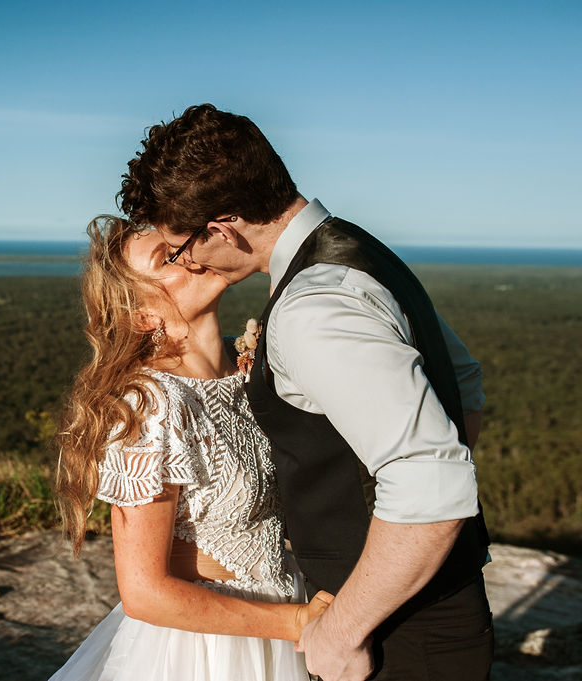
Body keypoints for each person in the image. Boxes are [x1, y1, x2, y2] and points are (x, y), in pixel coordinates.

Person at [117, 104, 493, 681]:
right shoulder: (360, 255)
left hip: (391, 630)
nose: (186, 260)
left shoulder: (314, 306)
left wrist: (343, 626)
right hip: (414, 607)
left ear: (222, 227)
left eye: (182, 245)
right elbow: (463, 381)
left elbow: (432, 480)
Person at [49, 215, 332, 681]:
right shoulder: (149, 404)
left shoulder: (249, 370)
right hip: (208, 652)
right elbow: (143, 592)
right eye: (169, 256)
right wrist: (295, 622)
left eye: (184, 240)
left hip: (284, 624)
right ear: (142, 315)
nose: (195, 253)